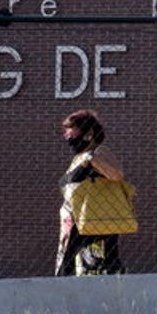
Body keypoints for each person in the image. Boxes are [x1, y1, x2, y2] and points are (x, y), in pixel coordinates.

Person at [55, 109, 126, 276]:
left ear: (88, 134)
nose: (67, 136)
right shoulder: (78, 158)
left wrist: (91, 159)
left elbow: (117, 175)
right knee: (77, 266)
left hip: (96, 221)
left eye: (71, 130)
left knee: (94, 266)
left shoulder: (98, 153)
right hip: (76, 221)